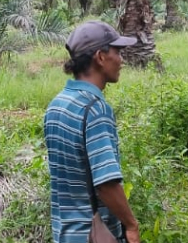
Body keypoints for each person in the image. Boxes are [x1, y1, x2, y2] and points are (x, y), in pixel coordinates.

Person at [44, 21, 141, 243]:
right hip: (94, 235)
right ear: (100, 57)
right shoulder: (96, 110)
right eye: (117, 52)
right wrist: (131, 225)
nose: (122, 60)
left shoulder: (57, 104)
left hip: (64, 234)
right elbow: (106, 183)